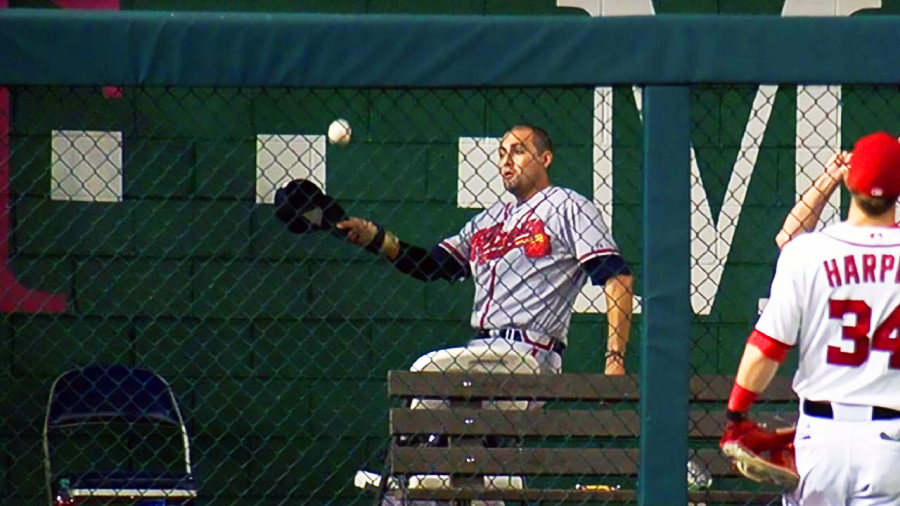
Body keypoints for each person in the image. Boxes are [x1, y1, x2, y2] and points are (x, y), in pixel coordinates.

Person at [336, 124, 634, 375]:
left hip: (530, 350)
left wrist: (614, 359)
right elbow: (431, 265)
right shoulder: (488, 219)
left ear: (545, 158)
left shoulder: (568, 206)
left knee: (452, 421)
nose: (507, 161)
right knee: (423, 407)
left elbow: (617, 277)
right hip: (480, 349)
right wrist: (374, 238)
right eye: (502, 153)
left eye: (518, 151)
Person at [721, 131, 900, 505]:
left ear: (850, 181)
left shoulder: (809, 254)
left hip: (821, 438)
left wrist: (737, 414)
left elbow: (767, 347)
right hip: (891, 444)